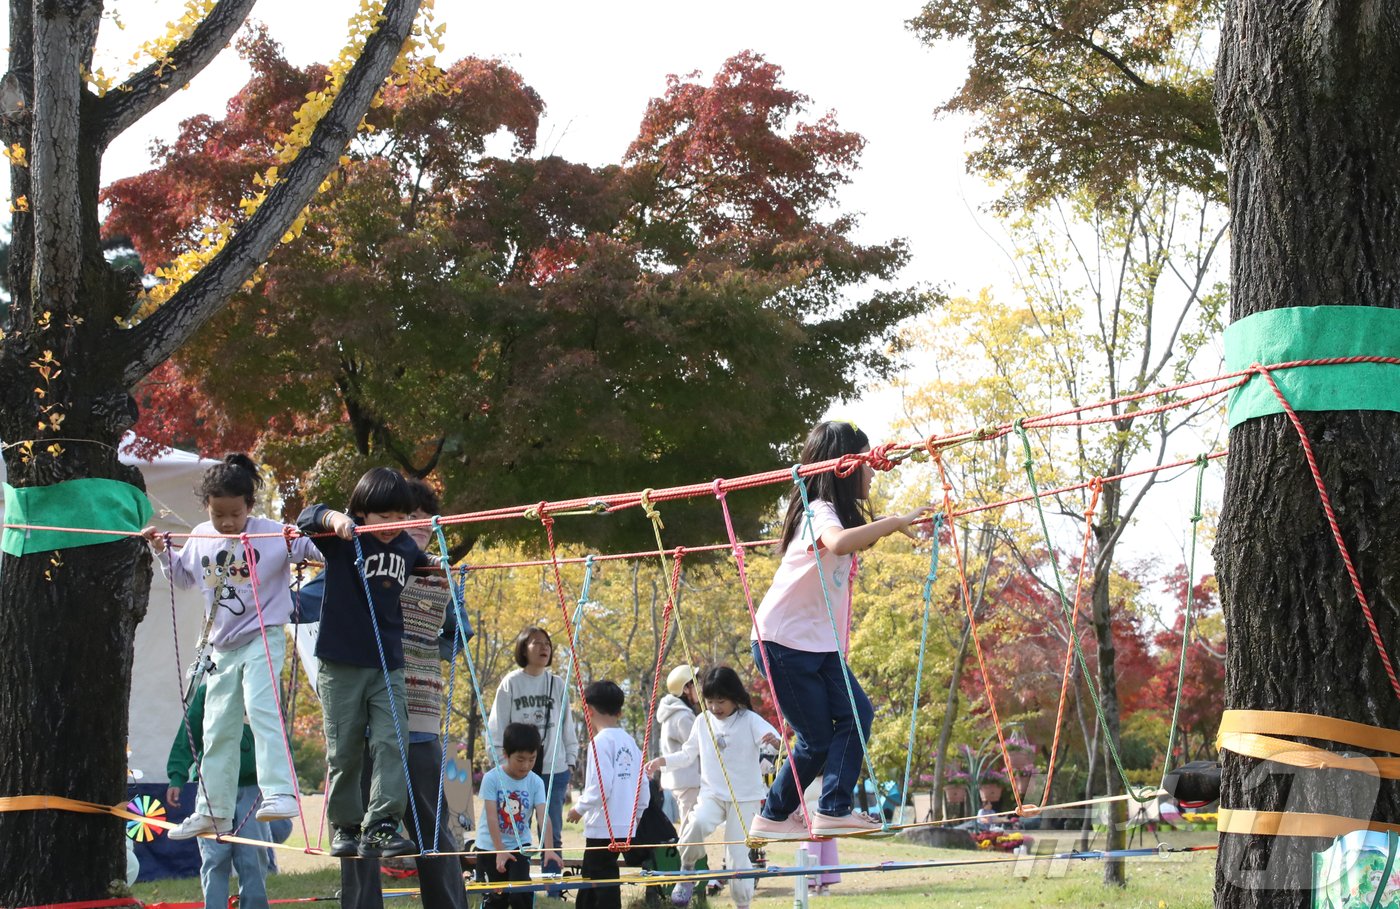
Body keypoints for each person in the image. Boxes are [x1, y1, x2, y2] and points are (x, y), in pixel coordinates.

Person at [747, 421, 935, 840]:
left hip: (817, 644)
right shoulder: (818, 513)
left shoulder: (831, 512)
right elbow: (838, 543)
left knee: (857, 714)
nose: (872, 473)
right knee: (815, 738)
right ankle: (782, 815)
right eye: (866, 465)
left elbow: (851, 539)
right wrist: (891, 521)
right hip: (782, 642)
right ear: (844, 469)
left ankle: (824, 808)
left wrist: (895, 456)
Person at [144, 453, 320, 839]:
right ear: (207, 508)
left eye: (235, 514)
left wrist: (321, 536)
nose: (227, 522)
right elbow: (185, 578)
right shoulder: (202, 536)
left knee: (261, 709)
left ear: (249, 506)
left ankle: (279, 792)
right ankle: (213, 810)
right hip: (221, 647)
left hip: (263, 634)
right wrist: (161, 550)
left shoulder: (270, 532)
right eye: (218, 513)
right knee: (216, 727)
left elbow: (314, 551)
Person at [339, 478, 469, 909]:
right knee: (361, 828)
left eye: (426, 523)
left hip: (419, 717)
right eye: (407, 519)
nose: (417, 529)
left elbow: (456, 635)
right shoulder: (364, 561)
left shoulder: (438, 572)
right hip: (365, 718)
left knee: (433, 827)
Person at [298, 467, 440, 858]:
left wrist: (438, 565)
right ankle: (345, 827)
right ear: (361, 514)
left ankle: (381, 826)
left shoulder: (406, 548)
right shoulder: (344, 541)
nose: (394, 526)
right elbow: (306, 516)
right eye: (383, 517)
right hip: (341, 663)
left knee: (391, 742)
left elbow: (421, 560)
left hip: (387, 665)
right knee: (344, 749)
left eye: (401, 517)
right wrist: (335, 520)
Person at [645, 667, 779, 909]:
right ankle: (687, 872)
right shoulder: (702, 720)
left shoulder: (749, 719)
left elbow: (772, 740)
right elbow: (687, 754)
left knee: (737, 857)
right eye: (709, 701)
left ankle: (742, 904)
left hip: (744, 799)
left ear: (735, 698)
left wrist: (776, 742)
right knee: (695, 824)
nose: (715, 707)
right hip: (713, 795)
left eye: (721, 701)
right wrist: (662, 761)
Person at [166, 682, 272, 909]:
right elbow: (189, 732)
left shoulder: (261, 684)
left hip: (252, 786)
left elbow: (276, 731)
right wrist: (177, 774)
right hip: (212, 788)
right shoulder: (209, 690)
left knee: (253, 856)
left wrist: (283, 780)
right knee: (215, 858)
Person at [487, 625, 578, 893]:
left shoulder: (557, 683)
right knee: (517, 827)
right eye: (536, 642)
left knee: (552, 827)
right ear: (523, 648)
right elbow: (497, 724)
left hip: (554, 766)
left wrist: (570, 757)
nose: (544, 647)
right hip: (518, 770)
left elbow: (566, 724)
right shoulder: (511, 683)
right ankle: (518, 881)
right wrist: (498, 759)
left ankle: (553, 886)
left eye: (547, 643)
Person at [567, 680, 649, 909]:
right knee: (598, 875)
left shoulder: (600, 743)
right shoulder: (630, 742)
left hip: (604, 826)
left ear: (588, 710)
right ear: (620, 711)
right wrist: (637, 816)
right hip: (625, 826)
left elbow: (601, 786)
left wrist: (579, 808)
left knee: (598, 879)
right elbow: (643, 783)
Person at [476, 723, 561, 909]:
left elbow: (543, 816)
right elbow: (491, 817)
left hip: (519, 846)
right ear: (506, 754)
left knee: (519, 894)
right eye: (520, 759)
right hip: (490, 847)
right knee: (496, 899)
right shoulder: (492, 779)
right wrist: (499, 849)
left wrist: (549, 849)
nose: (526, 765)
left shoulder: (536, 782)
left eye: (532, 759)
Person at [656, 665, 701, 826]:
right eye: (695, 683)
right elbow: (698, 746)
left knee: (687, 824)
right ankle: (687, 852)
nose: (699, 687)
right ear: (686, 688)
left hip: (676, 779)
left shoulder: (673, 713)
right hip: (687, 780)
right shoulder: (683, 716)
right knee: (690, 826)